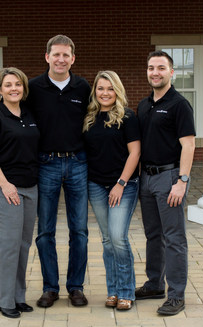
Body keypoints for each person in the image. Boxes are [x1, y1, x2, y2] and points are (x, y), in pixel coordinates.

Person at [26, 35, 91, 308]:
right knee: (45, 231)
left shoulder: (83, 87)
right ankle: (50, 288)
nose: (61, 59)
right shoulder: (33, 88)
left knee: (79, 230)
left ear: (73, 58)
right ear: (47, 57)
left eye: (66, 55)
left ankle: (75, 287)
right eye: (56, 55)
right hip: (46, 164)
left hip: (77, 163)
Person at [135, 50, 196, 316]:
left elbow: (189, 144)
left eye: (161, 68)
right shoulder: (144, 104)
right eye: (151, 68)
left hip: (170, 178)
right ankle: (154, 284)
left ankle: (176, 295)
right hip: (146, 178)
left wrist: (182, 181)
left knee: (174, 238)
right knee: (153, 236)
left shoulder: (179, 104)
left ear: (172, 72)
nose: (155, 72)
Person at [0, 67, 40, 318]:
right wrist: (4, 184)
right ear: (0, 89)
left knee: (23, 244)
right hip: (1, 187)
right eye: (8, 85)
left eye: (18, 84)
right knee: (8, 244)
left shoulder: (28, 114)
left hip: (29, 186)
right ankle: (4, 301)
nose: (14, 88)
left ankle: (18, 296)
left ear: (24, 88)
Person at [83, 71, 140, 310]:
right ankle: (113, 290)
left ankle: (127, 291)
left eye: (109, 88)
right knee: (107, 240)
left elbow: (135, 153)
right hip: (96, 185)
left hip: (123, 186)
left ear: (117, 90)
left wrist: (120, 183)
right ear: (95, 91)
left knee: (118, 238)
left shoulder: (127, 117)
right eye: (100, 88)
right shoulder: (88, 118)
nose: (104, 93)